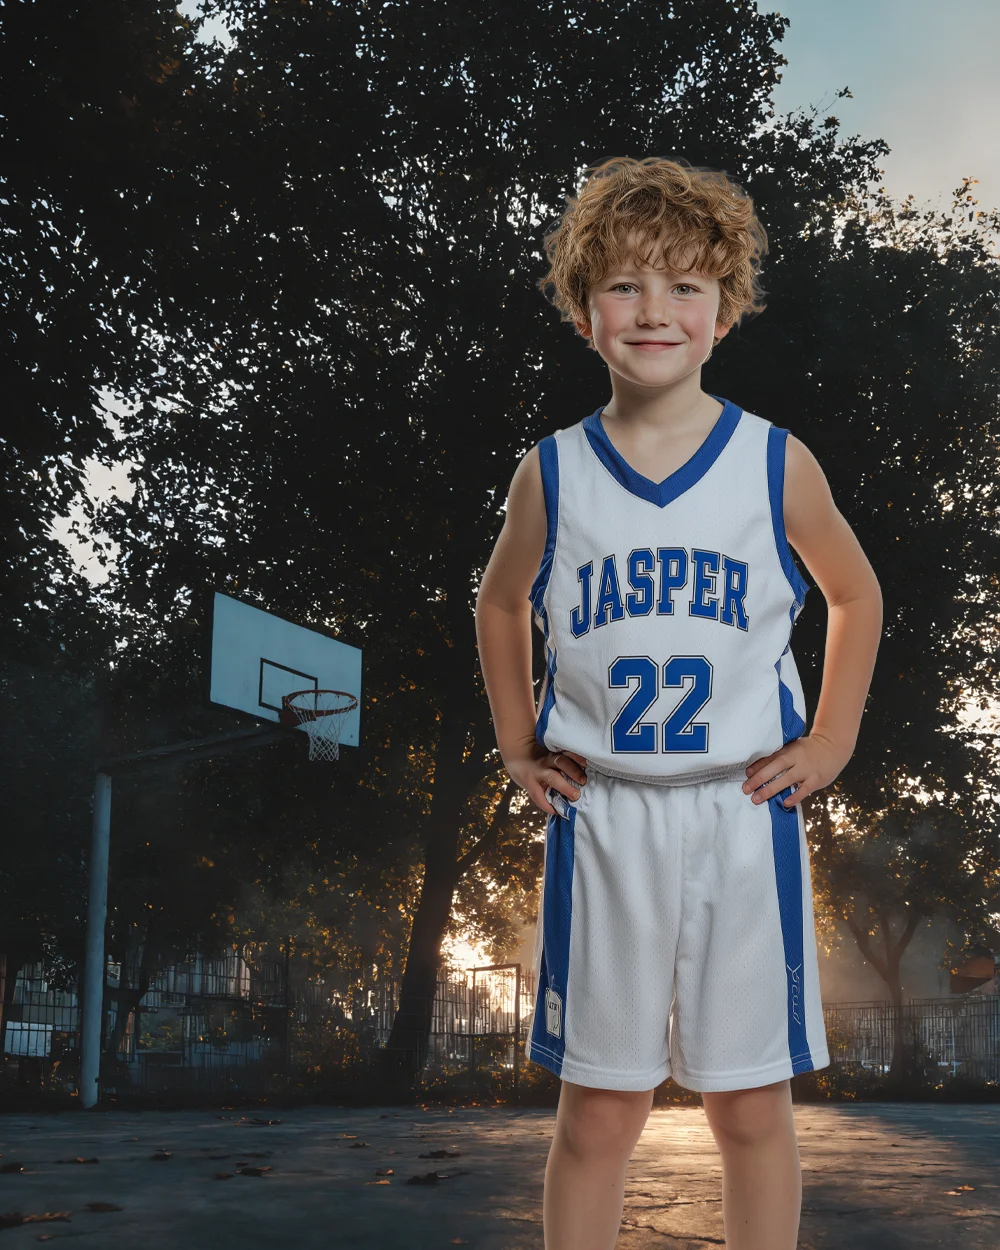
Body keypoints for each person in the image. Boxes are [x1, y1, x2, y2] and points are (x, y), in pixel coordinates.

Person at [474, 156, 883, 1250]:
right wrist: (520, 744)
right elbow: (502, 601)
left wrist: (831, 737)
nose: (653, 310)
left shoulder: (772, 463)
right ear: (582, 309)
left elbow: (854, 591)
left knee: (749, 1104)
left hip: (738, 808)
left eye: (683, 287)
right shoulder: (551, 473)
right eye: (622, 284)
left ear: (724, 310)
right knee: (598, 1108)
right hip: (605, 813)